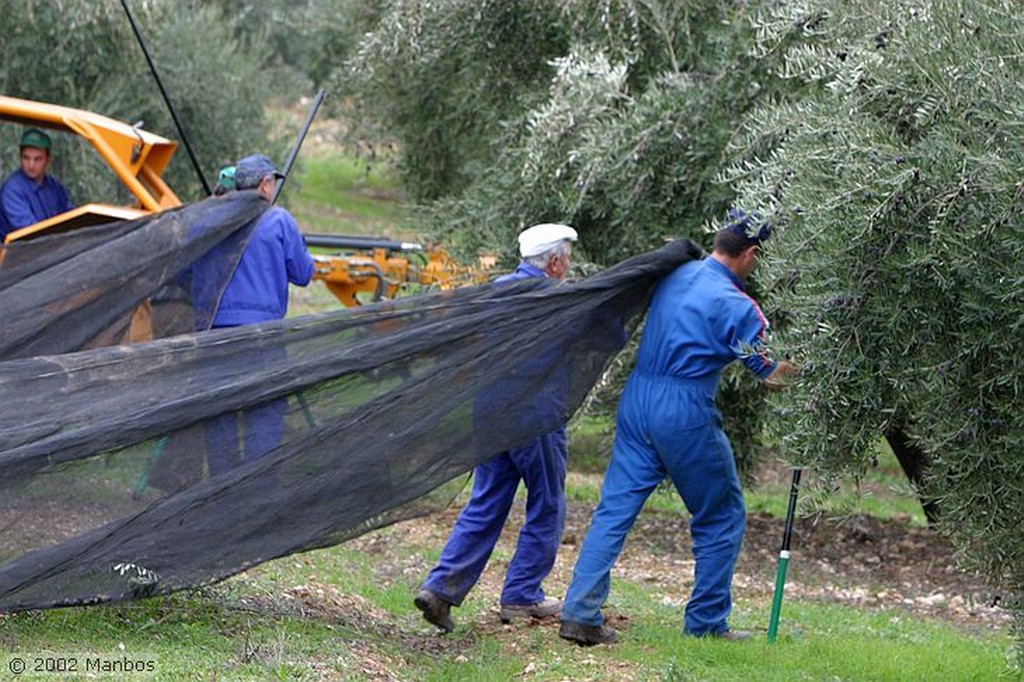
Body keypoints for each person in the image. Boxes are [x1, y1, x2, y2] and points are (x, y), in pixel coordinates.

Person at [558, 209, 797, 647]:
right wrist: (812, 364)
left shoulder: (675, 273)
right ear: (751, 253)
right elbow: (771, 376)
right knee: (721, 514)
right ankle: (706, 622)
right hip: (683, 410)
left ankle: (579, 613)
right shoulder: (739, 308)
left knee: (614, 509)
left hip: (638, 399)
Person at [415, 223, 579, 633]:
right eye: (568, 259)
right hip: (534, 415)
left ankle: (440, 589)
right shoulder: (554, 299)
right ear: (555, 262)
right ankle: (522, 595)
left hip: (488, 410)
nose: (569, 266)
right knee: (546, 502)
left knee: (486, 500)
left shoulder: (497, 290)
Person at [202, 153, 315, 474]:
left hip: (217, 336)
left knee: (219, 414)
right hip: (264, 338)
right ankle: (258, 490)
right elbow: (304, 273)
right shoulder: (279, 221)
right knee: (264, 411)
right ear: (265, 184)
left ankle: (221, 493)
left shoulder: (212, 220)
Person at [0, 128, 73, 239]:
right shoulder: (12, 190)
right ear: (20, 157)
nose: (31, 165)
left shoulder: (54, 187)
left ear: (48, 160)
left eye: (37, 159)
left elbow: (70, 216)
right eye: (26, 158)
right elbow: (31, 232)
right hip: (18, 252)